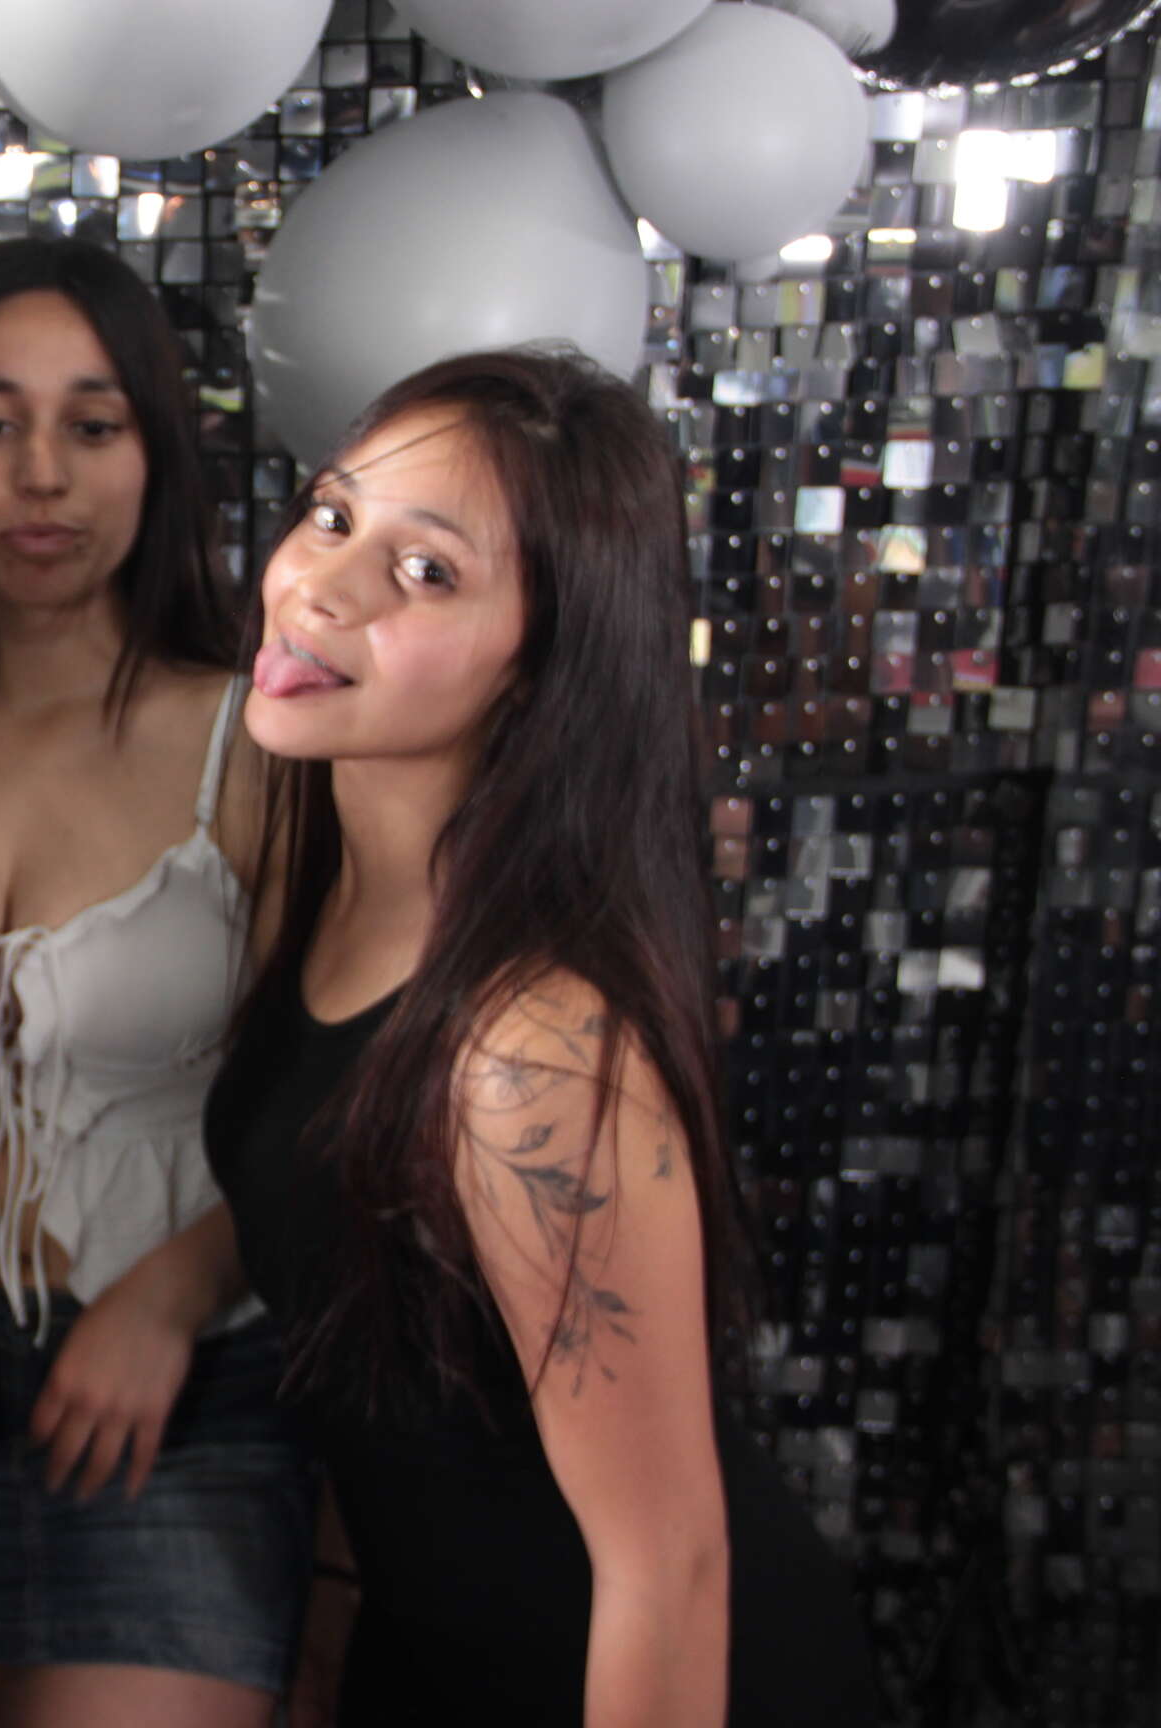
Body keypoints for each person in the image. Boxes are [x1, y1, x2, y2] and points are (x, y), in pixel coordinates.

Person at [202, 346, 881, 1725]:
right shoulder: (323, 883)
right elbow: (354, 1238)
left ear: (539, 669)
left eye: (425, 571)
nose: (320, 585)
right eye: (333, 516)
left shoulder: (533, 1050)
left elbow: (667, 1565)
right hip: (432, 1646)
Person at [0, 239, 312, 1728]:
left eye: (92, 425)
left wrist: (175, 1296)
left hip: (181, 1396)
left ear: (154, 453)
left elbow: (336, 1102)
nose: (40, 473)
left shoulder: (258, 746)